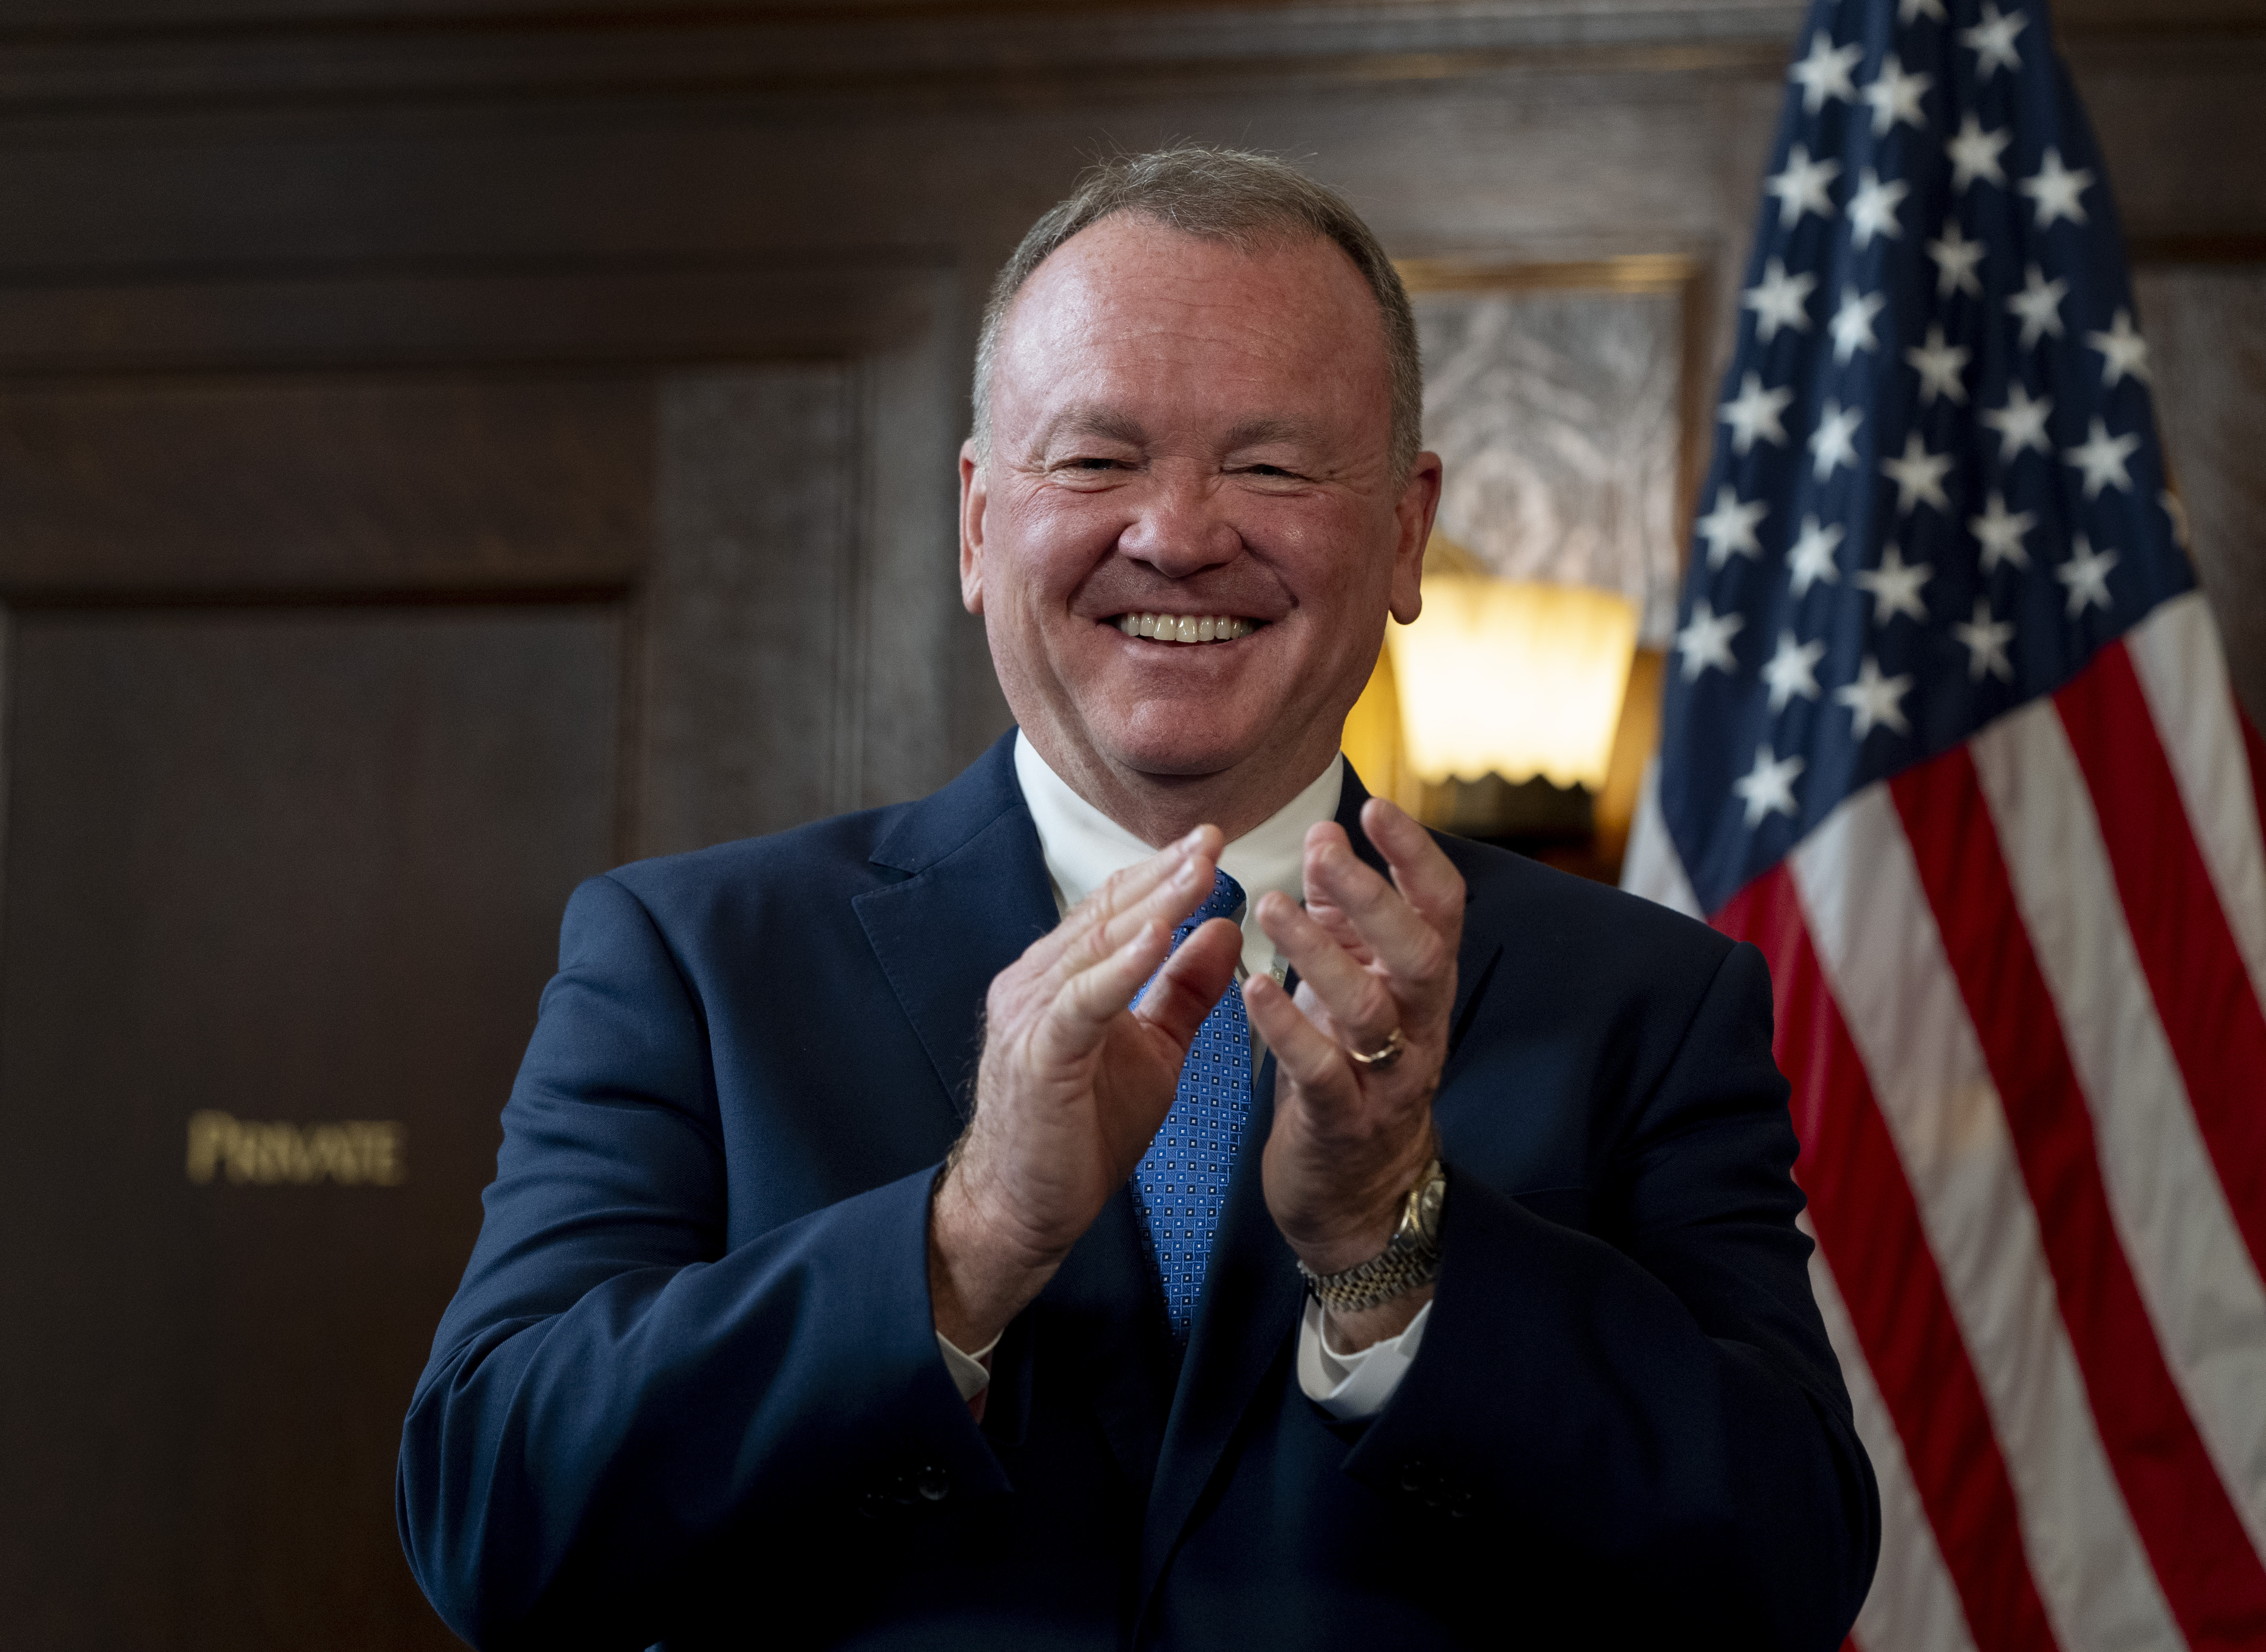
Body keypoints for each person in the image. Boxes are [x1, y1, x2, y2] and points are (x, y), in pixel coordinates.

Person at [399, 146, 1879, 1651]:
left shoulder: (1650, 999)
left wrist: (1390, 1247)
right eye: (1096, 461)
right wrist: (967, 1239)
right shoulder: (696, 963)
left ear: (1406, 530)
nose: (1177, 531)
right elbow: (493, 1522)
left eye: (1273, 464)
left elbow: (1786, 1569)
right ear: (980, 523)